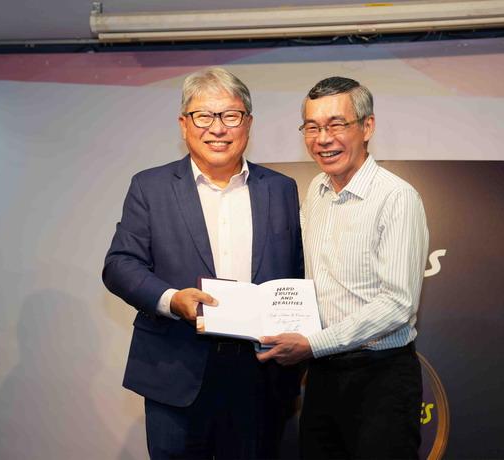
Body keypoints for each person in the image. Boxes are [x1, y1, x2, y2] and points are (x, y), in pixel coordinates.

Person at [103, 67, 303, 459]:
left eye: (230, 115)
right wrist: (172, 299)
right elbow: (120, 264)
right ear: (184, 124)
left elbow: (295, 271)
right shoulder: (150, 187)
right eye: (203, 116)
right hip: (176, 371)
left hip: (260, 375)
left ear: (248, 123)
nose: (218, 128)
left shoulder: (281, 188)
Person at [258, 76, 429, 459]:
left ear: (367, 127)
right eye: (312, 127)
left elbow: (397, 305)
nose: (323, 139)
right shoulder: (315, 193)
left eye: (336, 124)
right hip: (321, 375)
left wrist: (312, 344)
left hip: (380, 378)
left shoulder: (397, 198)